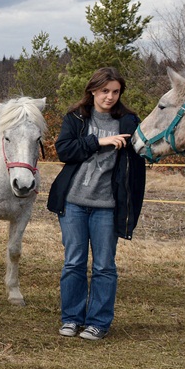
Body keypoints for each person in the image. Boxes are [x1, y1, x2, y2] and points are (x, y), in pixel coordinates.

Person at [46, 67, 146, 340]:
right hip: (73, 203)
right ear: (92, 90)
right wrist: (98, 141)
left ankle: (98, 323)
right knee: (73, 262)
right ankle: (71, 319)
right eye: (104, 91)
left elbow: (138, 164)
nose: (110, 97)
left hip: (107, 206)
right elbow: (64, 151)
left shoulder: (128, 122)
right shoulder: (77, 117)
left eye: (115, 91)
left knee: (104, 266)